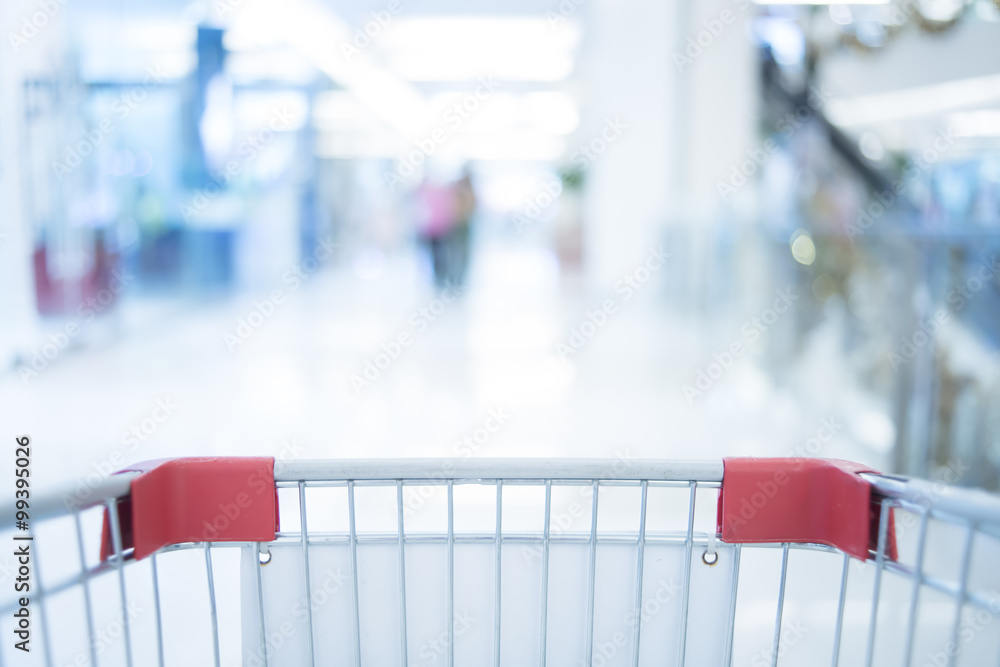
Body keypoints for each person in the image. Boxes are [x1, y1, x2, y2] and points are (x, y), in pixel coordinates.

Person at [447, 167, 476, 287]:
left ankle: (459, 279)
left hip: (463, 225)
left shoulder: (469, 192)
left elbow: (472, 208)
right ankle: (454, 278)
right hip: (456, 225)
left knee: (462, 253)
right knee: (455, 252)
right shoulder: (457, 191)